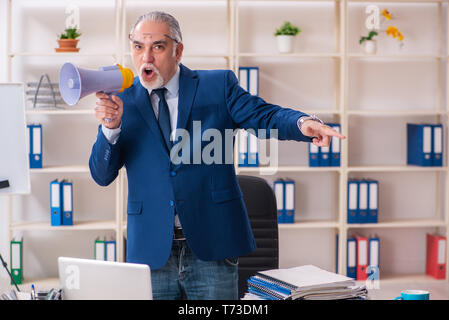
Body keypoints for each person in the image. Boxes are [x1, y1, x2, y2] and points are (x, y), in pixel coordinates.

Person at [89, 11, 346, 300]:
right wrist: (110, 128)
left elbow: (263, 115)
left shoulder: (217, 86)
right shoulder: (120, 99)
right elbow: (102, 175)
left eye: (157, 47)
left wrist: (301, 124)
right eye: (138, 47)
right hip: (150, 250)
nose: (146, 57)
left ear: (178, 50)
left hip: (212, 246)